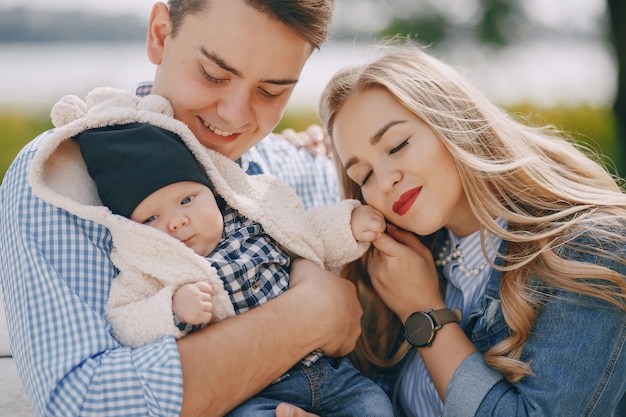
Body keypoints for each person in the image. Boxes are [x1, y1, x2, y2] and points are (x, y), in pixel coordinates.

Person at [0, 1, 366, 416]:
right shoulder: (57, 180)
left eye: (272, 91)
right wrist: (309, 317)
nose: (236, 116)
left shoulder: (292, 166)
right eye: (214, 75)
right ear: (159, 34)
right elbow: (85, 402)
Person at [307, 45, 625, 417]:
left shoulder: (590, 248)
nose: (386, 181)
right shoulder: (395, 270)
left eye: (397, 145)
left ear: (452, 121)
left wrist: (423, 312)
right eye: (363, 175)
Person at [45, 88, 392, 417]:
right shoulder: (151, 266)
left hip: (326, 371)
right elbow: (125, 318)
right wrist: (171, 308)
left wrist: (348, 223)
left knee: (373, 403)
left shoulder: (255, 219)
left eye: (186, 200)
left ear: (213, 190)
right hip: (254, 393)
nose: (177, 221)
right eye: (151, 217)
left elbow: (308, 232)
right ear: (133, 228)